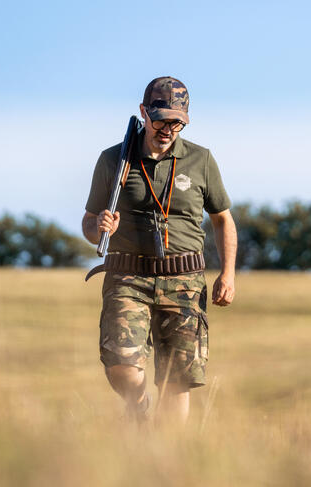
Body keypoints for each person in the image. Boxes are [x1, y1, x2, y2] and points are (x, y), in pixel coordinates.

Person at [82, 76, 236, 425]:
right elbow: (89, 223)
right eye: (161, 119)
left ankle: (169, 460)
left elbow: (224, 220)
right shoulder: (112, 160)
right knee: (121, 361)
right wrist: (98, 228)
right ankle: (138, 405)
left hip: (185, 281)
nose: (168, 128)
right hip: (127, 276)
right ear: (143, 112)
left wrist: (227, 274)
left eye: (177, 121)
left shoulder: (201, 160)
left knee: (177, 381)